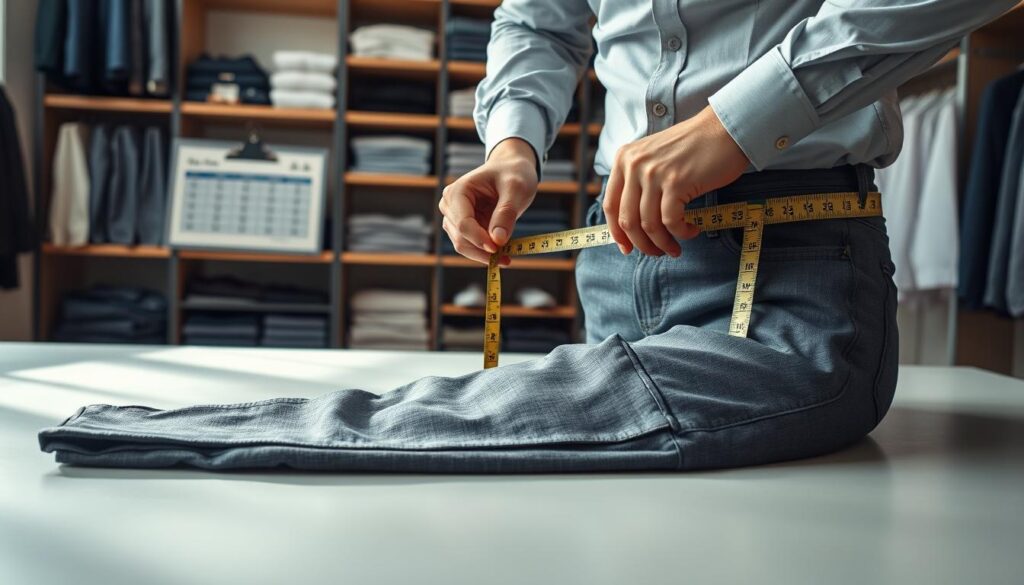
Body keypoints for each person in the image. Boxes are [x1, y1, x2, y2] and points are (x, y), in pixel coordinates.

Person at [38, 0, 1019, 472]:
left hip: (792, 280)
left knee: (473, 428)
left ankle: (160, 435)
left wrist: (738, 121)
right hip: (617, 255)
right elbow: (540, 21)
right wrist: (512, 145)